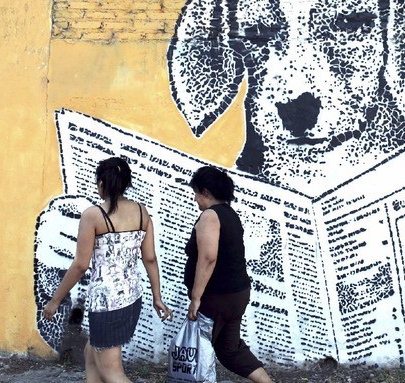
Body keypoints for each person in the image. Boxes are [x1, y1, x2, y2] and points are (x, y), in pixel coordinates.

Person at [43, 157, 172, 383]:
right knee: (91, 354)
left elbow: (80, 265)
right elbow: (150, 259)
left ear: (101, 183)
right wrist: (157, 297)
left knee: (112, 373)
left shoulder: (93, 215)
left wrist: (55, 300)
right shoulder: (141, 212)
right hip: (132, 299)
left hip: (106, 304)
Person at [186, 166, 273, 383]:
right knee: (229, 349)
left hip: (217, 297)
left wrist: (196, 298)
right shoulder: (230, 214)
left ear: (205, 192)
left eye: (196, 193)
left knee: (199, 351)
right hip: (236, 294)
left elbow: (208, 257)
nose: (195, 199)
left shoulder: (210, 216)